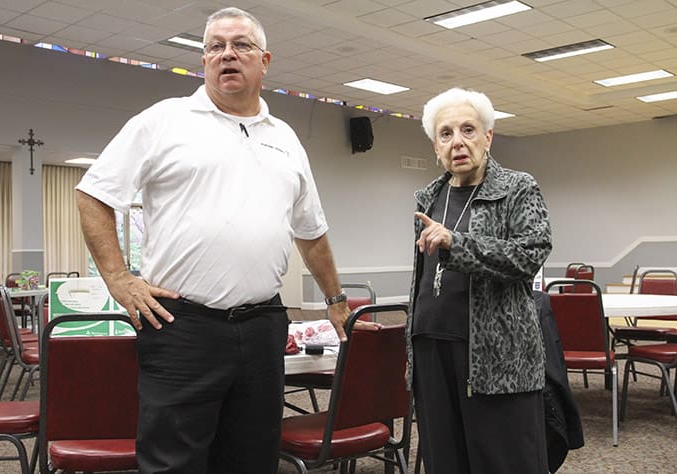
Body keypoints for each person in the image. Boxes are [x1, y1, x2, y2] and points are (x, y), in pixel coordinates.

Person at [75, 7, 378, 473]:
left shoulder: (286, 139)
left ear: (265, 60)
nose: (226, 55)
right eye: (215, 46)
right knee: (175, 462)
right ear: (203, 61)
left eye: (240, 45)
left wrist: (337, 299)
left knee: (253, 458)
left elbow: (311, 231)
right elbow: (94, 194)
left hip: (263, 327)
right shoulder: (164, 121)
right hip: (181, 328)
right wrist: (118, 277)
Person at [407, 87, 553, 473]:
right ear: (436, 147)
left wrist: (458, 243)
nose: (458, 142)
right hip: (431, 348)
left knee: (503, 463)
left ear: (487, 137)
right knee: (445, 462)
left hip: (497, 358)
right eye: (446, 133)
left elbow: (530, 254)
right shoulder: (428, 197)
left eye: (468, 130)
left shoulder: (517, 188)